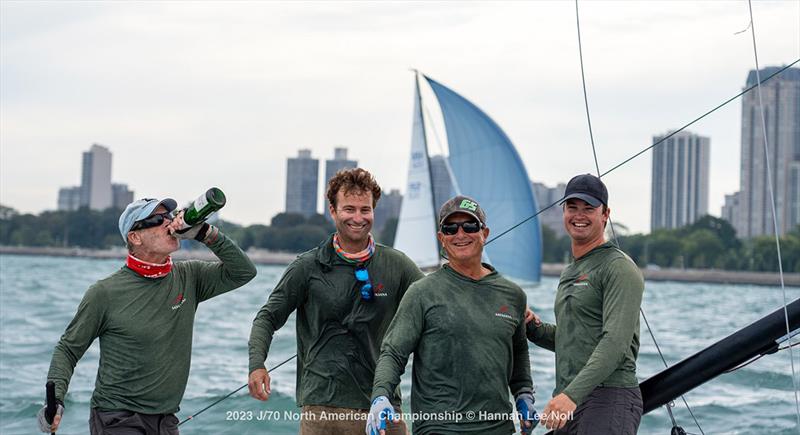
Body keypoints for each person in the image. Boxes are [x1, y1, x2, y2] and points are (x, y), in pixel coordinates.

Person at [37, 197, 257, 434]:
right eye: (157, 219)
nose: (168, 223)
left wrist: (205, 233)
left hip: (166, 420)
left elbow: (244, 272)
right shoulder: (104, 293)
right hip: (117, 418)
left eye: (169, 217)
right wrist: (56, 399)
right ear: (135, 237)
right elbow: (68, 349)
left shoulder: (190, 276)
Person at [247, 168, 424, 435]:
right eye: (349, 209)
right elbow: (268, 317)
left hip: (383, 405)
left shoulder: (398, 265)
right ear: (333, 210)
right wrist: (257, 364)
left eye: (365, 210)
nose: (358, 218)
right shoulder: (307, 266)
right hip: (322, 408)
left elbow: (433, 306)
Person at [368, 195, 537, 435]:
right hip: (438, 427)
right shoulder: (421, 292)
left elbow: (518, 352)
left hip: (498, 427)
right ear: (441, 238)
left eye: (470, 226)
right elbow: (393, 353)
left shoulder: (513, 295)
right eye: (450, 228)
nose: (460, 234)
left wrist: (524, 393)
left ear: (485, 233)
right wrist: (380, 396)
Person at [527, 173, 644, 434]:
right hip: (572, 400)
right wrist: (531, 327)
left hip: (609, 398)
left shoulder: (618, 267)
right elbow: (573, 339)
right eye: (572, 207)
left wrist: (570, 396)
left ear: (605, 214)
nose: (579, 215)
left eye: (588, 208)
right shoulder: (570, 271)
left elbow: (614, 342)